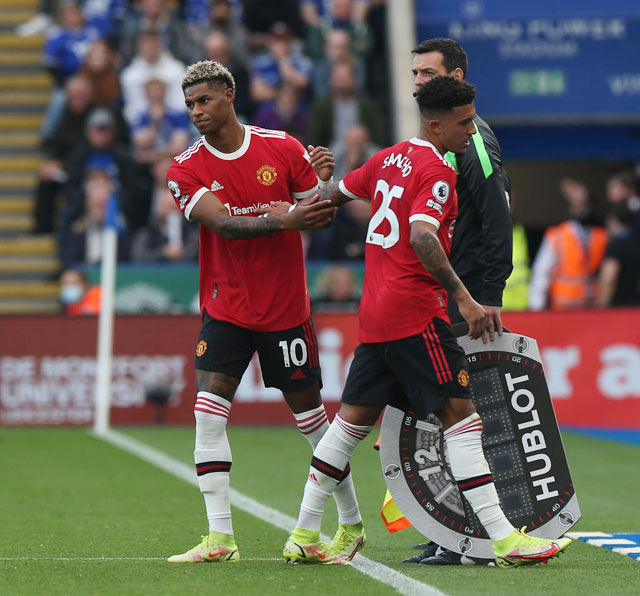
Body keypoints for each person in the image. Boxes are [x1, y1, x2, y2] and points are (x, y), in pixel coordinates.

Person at [280, 75, 571, 568]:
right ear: (436, 125)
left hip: (374, 314)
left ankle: (305, 531)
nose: (471, 129)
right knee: (462, 418)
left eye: (473, 118)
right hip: (416, 313)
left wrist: (308, 192)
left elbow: (334, 196)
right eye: (462, 122)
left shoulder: (387, 157)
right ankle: (504, 539)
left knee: (349, 425)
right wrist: (465, 298)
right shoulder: (438, 170)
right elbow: (421, 236)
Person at [164, 60, 361, 563]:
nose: (196, 112)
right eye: (189, 104)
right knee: (207, 414)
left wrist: (318, 186)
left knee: (314, 424)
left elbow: (316, 213)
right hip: (225, 306)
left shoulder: (282, 147)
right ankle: (220, 539)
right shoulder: (184, 169)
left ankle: (351, 524)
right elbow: (226, 225)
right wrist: (283, 217)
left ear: (229, 95)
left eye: (204, 100)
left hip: (284, 308)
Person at [384, 37, 516, 565]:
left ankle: (470, 535)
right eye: (415, 74)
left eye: (428, 73)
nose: (418, 82)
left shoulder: (474, 142)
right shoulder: (439, 144)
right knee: (436, 417)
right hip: (437, 298)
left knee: (456, 416)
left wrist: (487, 295)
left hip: (462, 302)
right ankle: (452, 531)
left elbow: (497, 218)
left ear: (456, 77)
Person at [529, 177, 606, 311]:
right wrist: (537, 309)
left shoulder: (601, 235)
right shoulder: (557, 235)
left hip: (592, 309)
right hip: (562, 310)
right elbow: (541, 273)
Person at [597, 202, 640, 307]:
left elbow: (609, 277)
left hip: (620, 307)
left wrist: (602, 305)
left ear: (612, 220)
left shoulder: (616, 245)